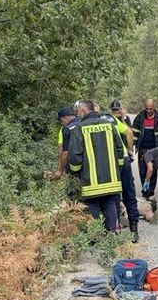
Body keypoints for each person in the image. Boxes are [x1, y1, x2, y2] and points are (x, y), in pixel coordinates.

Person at [67, 99, 125, 231]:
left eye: (78, 111)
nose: (77, 114)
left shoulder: (79, 128)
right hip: (111, 178)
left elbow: (75, 156)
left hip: (90, 181)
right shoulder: (109, 125)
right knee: (110, 204)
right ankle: (112, 235)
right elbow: (120, 149)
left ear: (83, 110)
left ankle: (95, 235)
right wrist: (118, 169)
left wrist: (76, 173)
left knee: (92, 206)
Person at [109, 100, 141, 242]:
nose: (116, 112)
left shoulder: (116, 120)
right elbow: (129, 132)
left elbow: (129, 131)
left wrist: (129, 150)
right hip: (123, 158)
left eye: (118, 109)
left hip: (114, 161)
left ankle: (124, 227)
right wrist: (128, 150)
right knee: (127, 193)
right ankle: (130, 227)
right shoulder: (112, 120)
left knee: (118, 195)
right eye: (114, 110)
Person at [132, 98, 158, 198]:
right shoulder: (139, 118)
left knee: (153, 171)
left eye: (151, 109)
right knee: (143, 171)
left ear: (154, 107)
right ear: (145, 107)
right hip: (143, 148)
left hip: (155, 149)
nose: (149, 111)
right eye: (147, 109)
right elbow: (134, 132)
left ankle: (150, 192)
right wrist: (133, 145)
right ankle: (145, 191)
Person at [52, 107, 79, 178]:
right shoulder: (84, 122)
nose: (62, 123)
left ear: (66, 118)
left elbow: (65, 153)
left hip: (77, 165)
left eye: (61, 120)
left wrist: (60, 170)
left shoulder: (68, 129)